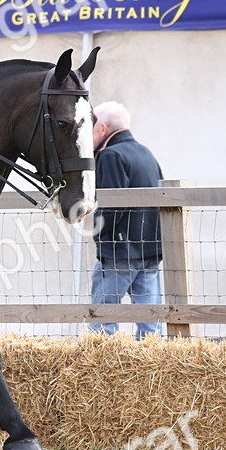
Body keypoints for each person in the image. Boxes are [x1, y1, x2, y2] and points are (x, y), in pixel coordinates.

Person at [88, 101, 165, 339]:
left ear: (102, 128)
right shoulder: (146, 153)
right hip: (149, 250)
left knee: (102, 320)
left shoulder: (111, 155)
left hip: (120, 251)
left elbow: (112, 206)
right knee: (150, 323)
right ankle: (153, 367)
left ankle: (98, 367)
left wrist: (99, 237)